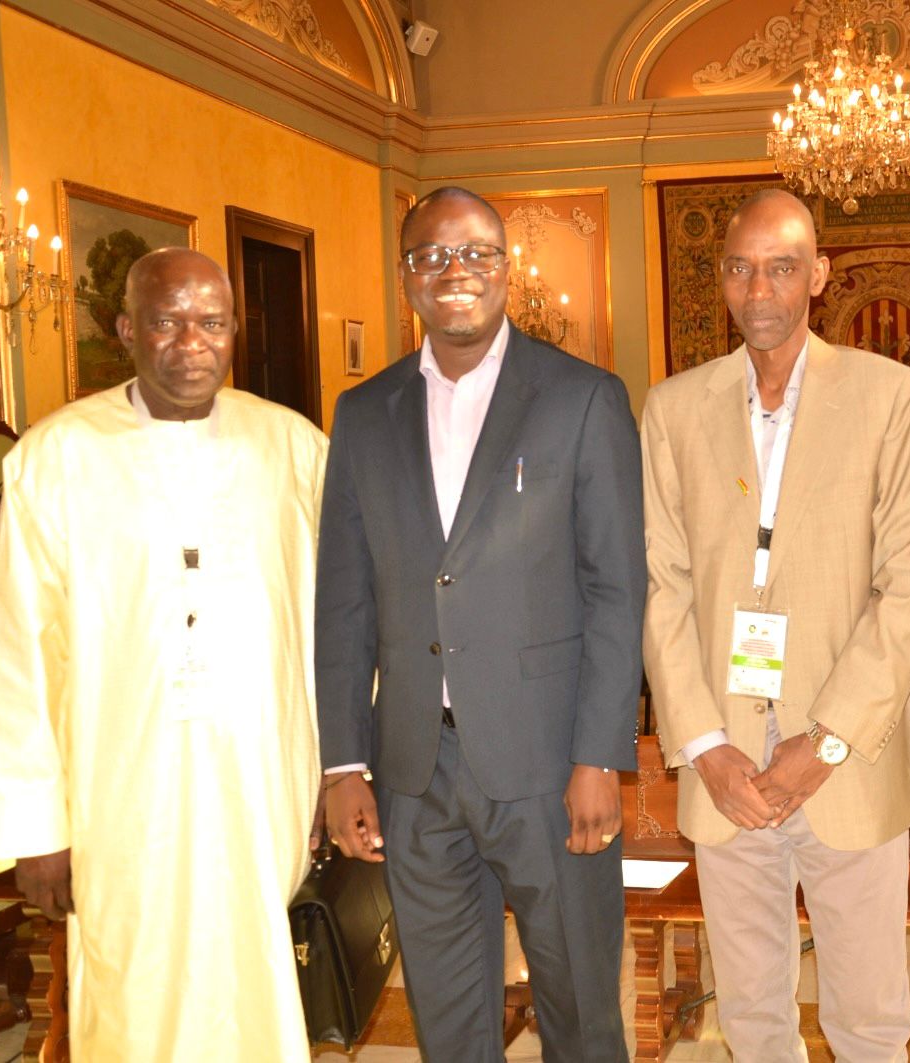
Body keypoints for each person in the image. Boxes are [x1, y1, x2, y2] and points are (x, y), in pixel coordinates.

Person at [316, 186, 644, 1061]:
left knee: (581, 1016)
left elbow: (617, 589)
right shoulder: (364, 413)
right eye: (431, 254)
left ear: (507, 268)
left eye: (475, 252)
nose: (454, 269)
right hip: (414, 770)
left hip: (550, 766)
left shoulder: (582, 398)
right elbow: (343, 600)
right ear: (406, 277)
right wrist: (344, 763)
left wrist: (600, 754)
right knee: (449, 1026)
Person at [0, 248, 327, 1062]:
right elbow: (25, 653)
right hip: (119, 790)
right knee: (132, 980)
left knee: (255, 977)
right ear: (127, 329)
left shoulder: (293, 448)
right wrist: (37, 827)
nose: (191, 343)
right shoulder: (55, 459)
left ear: (234, 331)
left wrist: (333, 770)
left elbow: (334, 623)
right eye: (166, 321)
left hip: (260, 777)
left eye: (212, 322)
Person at [642, 188, 910, 1061]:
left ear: (818, 274)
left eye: (781, 267)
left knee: (870, 1022)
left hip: (846, 759)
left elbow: (908, 587)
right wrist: (705, 745)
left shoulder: (889, 396)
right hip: (727, 767)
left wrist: (826, 741)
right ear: (722, 279)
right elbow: (662, 585)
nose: (760, 289)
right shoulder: (674, 409)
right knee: (752, 1021)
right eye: (741, 268)